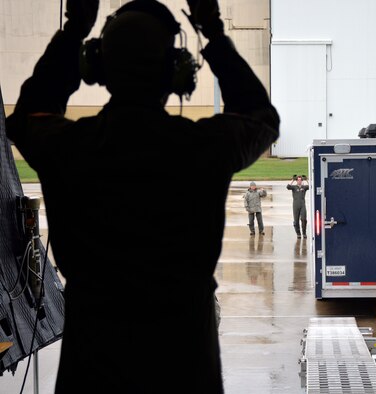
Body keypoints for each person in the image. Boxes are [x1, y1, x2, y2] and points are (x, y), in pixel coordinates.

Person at [6, 0, 279, 392]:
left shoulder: (69, 146)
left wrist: (74, 30)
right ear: (176, 73)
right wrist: (214, 34)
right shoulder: (201, 148)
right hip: (184, 362)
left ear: (96, 68)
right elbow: (261, 117)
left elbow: (26, 115)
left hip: (94, 359)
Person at [287, 175, 309, 239]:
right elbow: (288, 186)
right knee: (296, 221)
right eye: (298, 180)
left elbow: (311, 186)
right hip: (295, 205)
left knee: (304, 219)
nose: (299, 181)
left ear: (302, 181)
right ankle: (298, 233)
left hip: (302, 205)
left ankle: (304, 233)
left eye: (300, 180)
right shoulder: (294, 187)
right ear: (296, 181)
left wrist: (306, 180)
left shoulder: (304, 187)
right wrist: (293, 180)